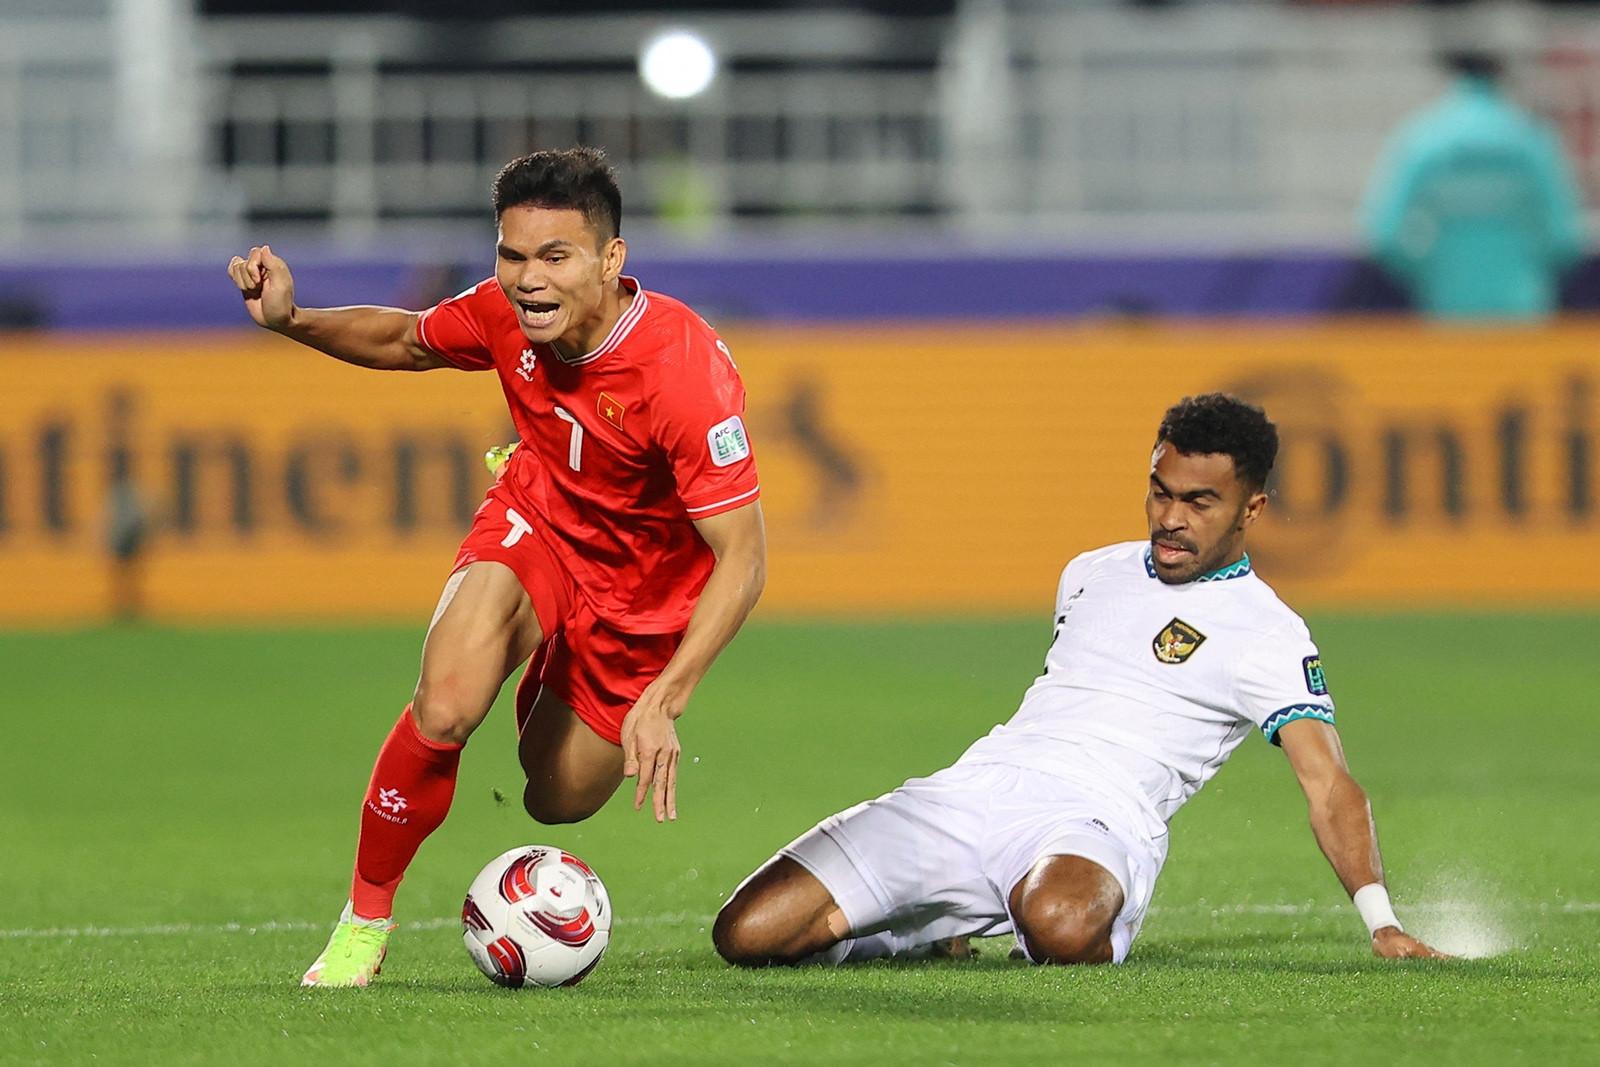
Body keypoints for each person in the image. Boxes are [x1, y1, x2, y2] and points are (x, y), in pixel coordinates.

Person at [227, 146, 767, 987]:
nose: (528, 279)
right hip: (538, 524)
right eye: (512, 256)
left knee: (554, 795)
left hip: (642, 599)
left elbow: (744, 556)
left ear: (610, 259)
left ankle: (553, 661)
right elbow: (409, 340)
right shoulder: (504, 313)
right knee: (444, 704)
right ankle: (363, 920)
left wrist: (670, 690)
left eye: (555, 256)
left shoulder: (683, 372)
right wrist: (295, 320)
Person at [713, 394, 1445, 968]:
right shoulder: (1091, 572)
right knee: (746, 933)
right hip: (975, 787)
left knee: (1062, 923)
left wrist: (1381, 921)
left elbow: (1328, 782)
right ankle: (926, 928)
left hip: (1100, 819)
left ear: (1251, 508)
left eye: (1200, 502)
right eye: (1161, 492)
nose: (1171, 518)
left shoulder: (1268, 632)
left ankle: (999, 914)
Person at [1362, 50, 1585, 320]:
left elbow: (1385, 233)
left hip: (1447, 304)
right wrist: (1532, 268)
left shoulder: (1423, 137)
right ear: (1500, 79)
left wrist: (1426, 269)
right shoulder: (1531, 137)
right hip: (1522, 306)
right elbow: (1565, 236)